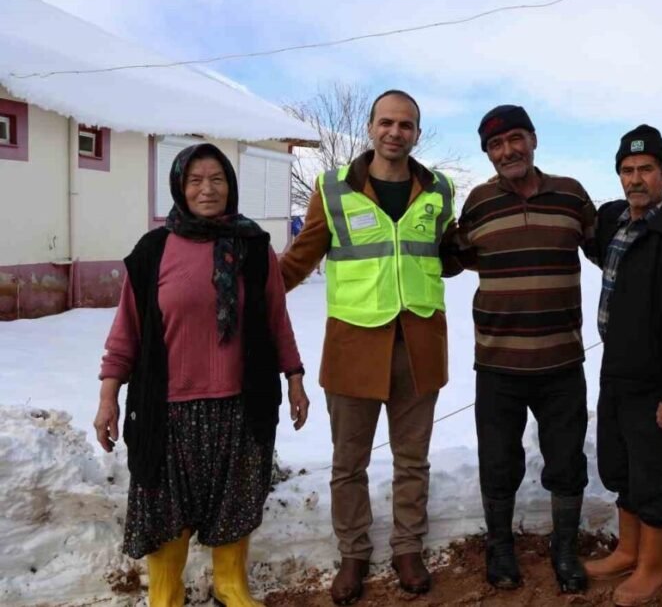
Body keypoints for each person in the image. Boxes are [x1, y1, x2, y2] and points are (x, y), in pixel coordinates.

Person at [93, 143, 310, 607]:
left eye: (217, 179)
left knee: (234, 502)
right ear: (179, 186)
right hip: (168, 411)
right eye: (195, 180)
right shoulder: (153, 251)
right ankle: (166, 594)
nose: (206, 189)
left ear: (230, 185)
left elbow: (276, 320)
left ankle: (230, 585)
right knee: (166, 507)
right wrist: (108, 396)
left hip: (240, 405)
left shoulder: (253, 247)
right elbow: (126, 331)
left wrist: (294, 377)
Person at [279, 90, 457, 603]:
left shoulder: (439, 189)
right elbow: (298, 260)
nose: (394, 132)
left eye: (405, 125)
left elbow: (449, 253)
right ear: (371, 128)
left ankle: (407, 548)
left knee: (412, 460)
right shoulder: (333, 189)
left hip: (420, 345)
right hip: (354, 345)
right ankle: (353, 553)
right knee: (348, 463)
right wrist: (252, 293)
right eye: (386, 122)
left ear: (417, 134)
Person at [452, 104, 595, 593]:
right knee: (498, 462)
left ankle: (565, 548)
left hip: (561, 362)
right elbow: (454, 258)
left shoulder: (572, 196)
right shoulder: (478, 203)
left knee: (567, 460)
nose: (507, 150)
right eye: (495, 144)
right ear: (488, 153)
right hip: (497, 364)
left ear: (533, 139)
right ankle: (501, 545)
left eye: (515, 138)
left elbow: (608, 248)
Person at [584, 125, 662, 606]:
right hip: (616, 368)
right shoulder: (616, 221)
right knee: (620, 465)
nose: (635, 179)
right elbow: (593, 241)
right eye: (626, 170)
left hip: (654, 378)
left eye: (645, 170)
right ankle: (628, 549)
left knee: (651, 472)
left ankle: (653, 568)